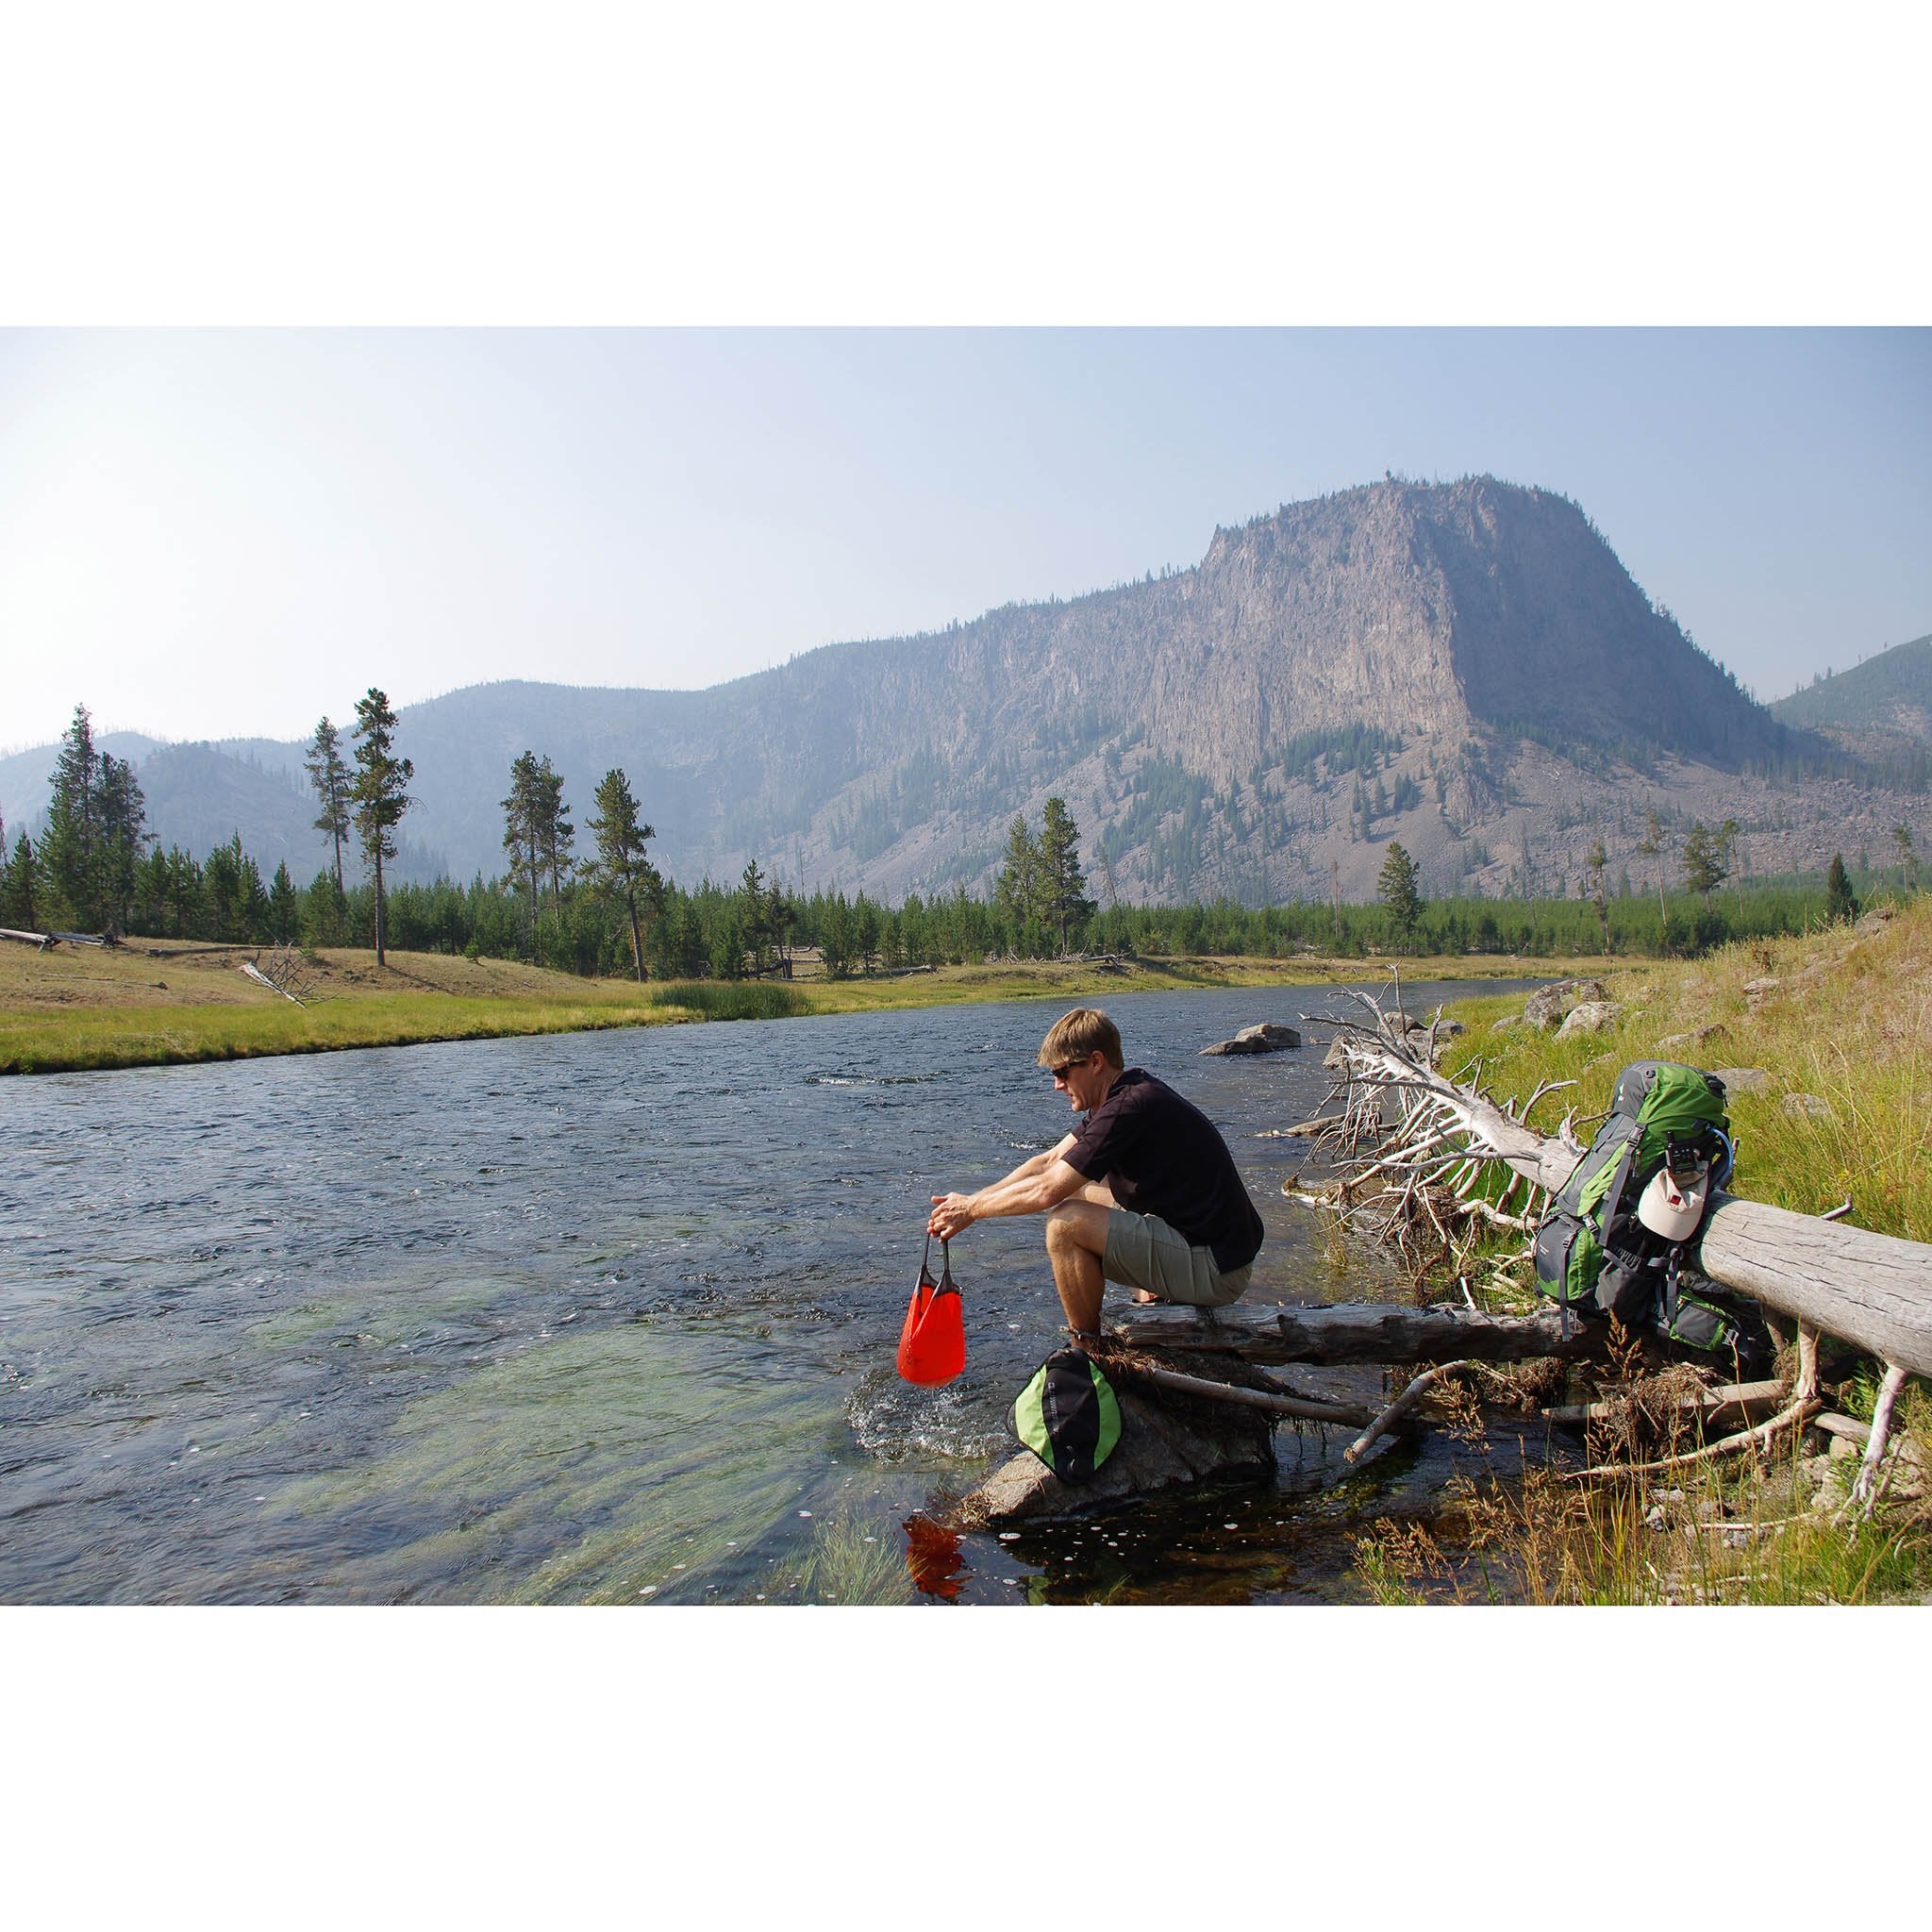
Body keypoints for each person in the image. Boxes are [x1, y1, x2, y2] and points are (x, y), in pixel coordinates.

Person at [927, 1007, 1264, 1341]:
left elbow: (1047, 1190)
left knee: (1065, 1225)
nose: (1057, 1085)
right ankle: (1152, 1298)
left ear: (1096, 1062)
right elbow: (1048, 1163)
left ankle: (1087, 1349)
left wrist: (971, 1211)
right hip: (1208, 1246)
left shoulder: (1127, 1108)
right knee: (1078, 1190)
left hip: (1217, 1270)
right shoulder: (1123, 1095)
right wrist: (972, 1200)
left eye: (1062, 1072)